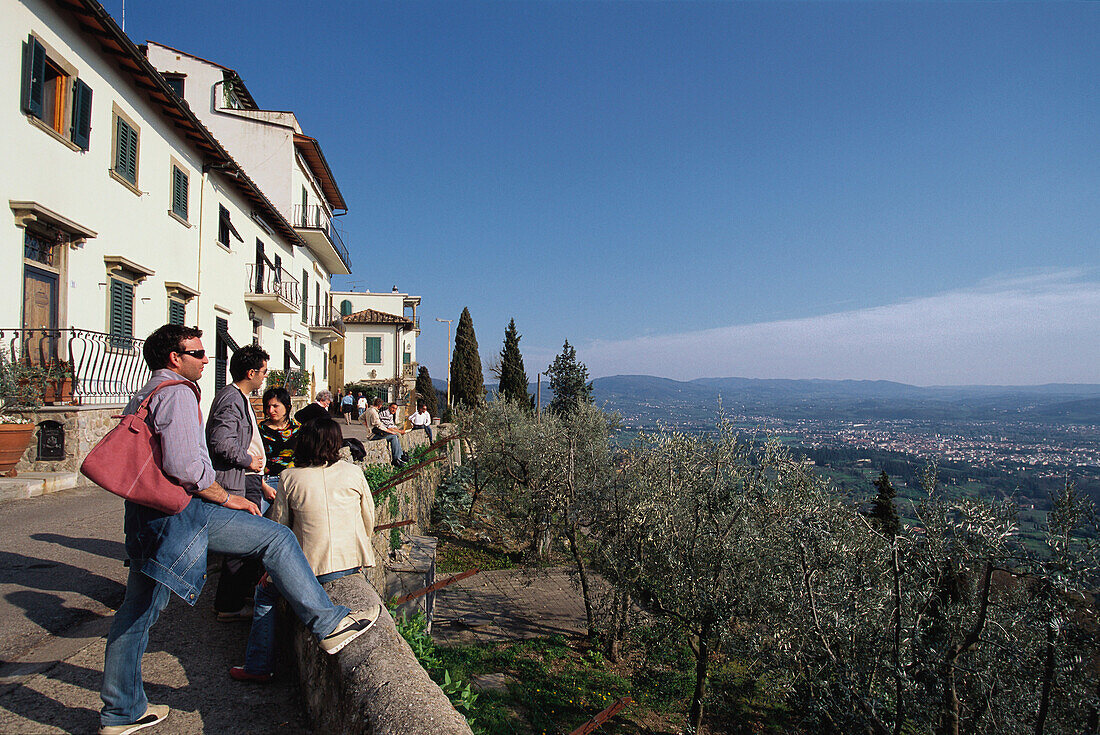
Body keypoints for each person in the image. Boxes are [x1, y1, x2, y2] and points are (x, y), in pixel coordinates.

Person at [99, 324, 378, 735]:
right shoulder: (176, 393)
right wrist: (228, 498)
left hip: (144, 515)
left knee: (137, 612)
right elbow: (185, 467)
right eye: (197, 352)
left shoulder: (147, 391)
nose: (206, 358)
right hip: (180, 513)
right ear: (174, 359)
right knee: (277, 537)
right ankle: (327, 624)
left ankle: (120, 712)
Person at [231, 417, 376, 682]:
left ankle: (258, 665)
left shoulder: (289, 477)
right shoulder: (353, 472)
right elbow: (369, 517)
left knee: (264, 595)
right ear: (336, 443)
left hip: (307, 567)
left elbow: (278, 529)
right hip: (349, 562)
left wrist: (270, 570)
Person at [206, 344, 272, 622]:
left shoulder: (237, 397)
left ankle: (234, 599)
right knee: (240, 546)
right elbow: (221, 443)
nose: (265, 377)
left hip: (248, 480)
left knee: (243, 546)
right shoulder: (231, 399)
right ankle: (229, 607)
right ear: (251, 372)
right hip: (239, 481)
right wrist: (248, 461)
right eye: (264, 372)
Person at [259, 387, 299, 495]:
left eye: (275, 406)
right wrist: (263, 486)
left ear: (287, 406)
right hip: (268, 482)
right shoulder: (260, 431)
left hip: (295, 480)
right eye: (268, 407)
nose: (271, 411)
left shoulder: (298, 429)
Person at [363, 397, 406, 467]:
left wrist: (367, 426)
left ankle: (400, 457)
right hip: (373, 435)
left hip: (372, 433)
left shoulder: (368, 410)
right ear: (380, 405)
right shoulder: (374, 412)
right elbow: (379, 426)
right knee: (394, 436)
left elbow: (361, 418)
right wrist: (390, 431)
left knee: (395, 435)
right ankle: (396, 459)